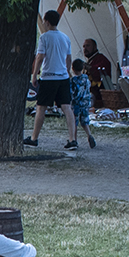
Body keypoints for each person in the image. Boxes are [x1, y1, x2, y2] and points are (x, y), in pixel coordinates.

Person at [30, 8, 77, 151]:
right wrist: (66, 71)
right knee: (67, 107)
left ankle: (34, 138)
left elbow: (40, 57)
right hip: (62, 77)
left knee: (41, 107)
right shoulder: (65, 37)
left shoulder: (44, 37)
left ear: (47, 22)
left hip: (49, 76)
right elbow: (68, 58)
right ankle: (72, 139)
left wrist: (34, 74)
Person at [70, 58, 96, 149]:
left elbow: (72, 93)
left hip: (76, 105)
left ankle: (74, 140)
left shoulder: (73, 81)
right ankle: (89, 135)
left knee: (74, 123)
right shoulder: (86, 78)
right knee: (85, 122)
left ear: (72, 68)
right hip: (85, 104)